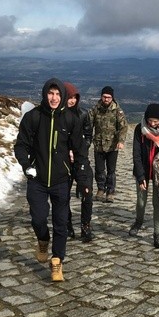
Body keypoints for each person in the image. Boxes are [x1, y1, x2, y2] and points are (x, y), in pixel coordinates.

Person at [14, 78, 89, 281]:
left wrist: (83, 180)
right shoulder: (33, 117)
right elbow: (20, 145)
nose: (54, 98)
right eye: (51, 93)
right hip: (37, 179)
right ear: (45, 94)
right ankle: (42, 239)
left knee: (60, 222)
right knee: (38, 218)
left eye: (57, 94)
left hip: (61, 180)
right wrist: (26, 166)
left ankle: (57, 261)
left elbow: (80, 151)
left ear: (62, 96)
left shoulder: (70, 120)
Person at [130, 103, 159, 249]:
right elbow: (136, 154)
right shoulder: (140, 129)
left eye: (156, 121)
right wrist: (140, 176)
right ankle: (138, 221)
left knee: (158, 203)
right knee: (141, 201)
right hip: (143, 170)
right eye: (150, 120)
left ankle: (158, 235)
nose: (152, 123)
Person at [63, 82, 94, 243]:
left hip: (81, 159)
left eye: (75, 97)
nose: (72, 100)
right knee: (63, 196)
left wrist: (81, 148)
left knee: (87, 193)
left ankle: (85, 226)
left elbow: (89, 135)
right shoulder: (57, 116)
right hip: (63, 161)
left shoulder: (83, 114)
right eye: (69, 97)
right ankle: (67, 226)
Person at [88, 86, 128, 203]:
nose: (106, 99)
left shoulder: (117, 111)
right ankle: (101, 189)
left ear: (112, 98)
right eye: (104, 97)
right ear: (101, 96)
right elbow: (89, 124)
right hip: (99, 145)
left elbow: (123, 127)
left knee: (111, 171)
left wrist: (121, 141)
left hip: (112, 146)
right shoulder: (96, 109)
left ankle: (110, 191)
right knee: (99, 170)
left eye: (109, 97)